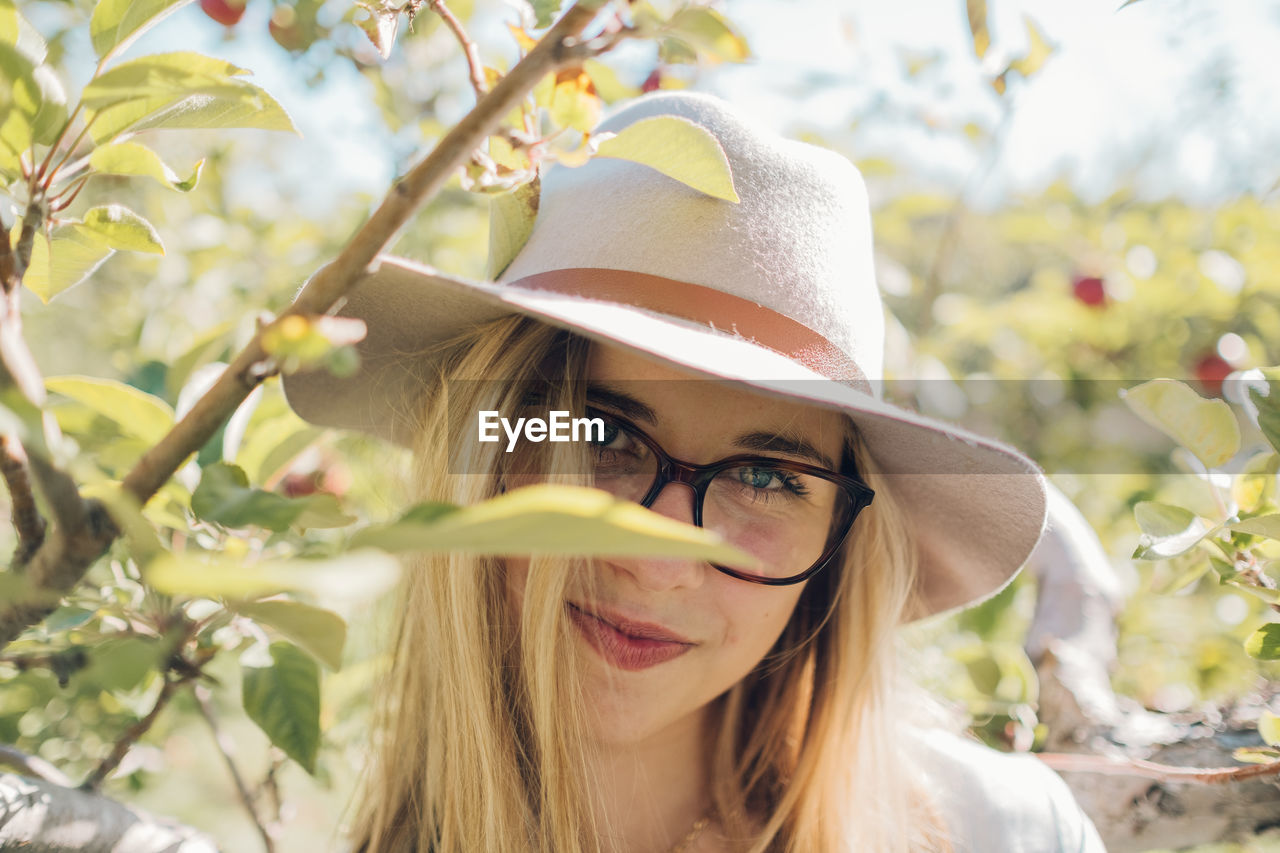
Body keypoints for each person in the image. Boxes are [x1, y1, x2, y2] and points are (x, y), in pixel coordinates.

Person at [284, 92, 1106, 853]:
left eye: (768, 476)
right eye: (599, 433)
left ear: (841, 539)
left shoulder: (1002, 834)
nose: (657, 559)